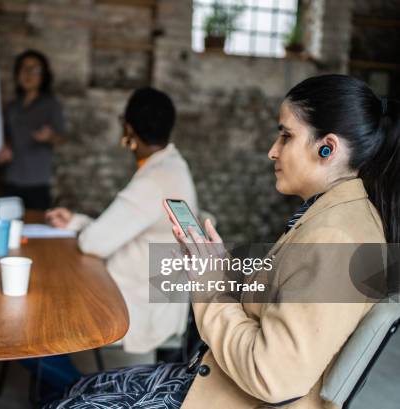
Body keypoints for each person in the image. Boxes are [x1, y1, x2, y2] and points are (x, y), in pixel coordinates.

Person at [44, 74, 400, 409]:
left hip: (232, 397)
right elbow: (281, 291)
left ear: (328, 148)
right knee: (77, 390)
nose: (272, 152)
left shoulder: (336, 236)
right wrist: (221, 265)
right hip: (214, 379)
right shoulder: (331, 215)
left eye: (286, 136)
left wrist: (207, 284)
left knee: (70, 401)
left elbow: (271, 376)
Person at [46, 87, 196, 354]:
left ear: (128, 129)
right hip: (164, 299)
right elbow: (124, 225)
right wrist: (75, 221)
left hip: (140, 304)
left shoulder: (153, 180)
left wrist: (80, 227)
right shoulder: (173, 165)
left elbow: (93, 244)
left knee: (46, 313)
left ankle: (71, 388)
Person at [0, 49, 65, 210]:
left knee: (36, 226)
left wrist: (49, 137)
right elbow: (8, 136)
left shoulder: (51, 104)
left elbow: (61, 137)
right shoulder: (12, 107)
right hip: (12, 177)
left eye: (34, 70)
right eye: (24, 69)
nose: (28, 74)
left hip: (37, 180)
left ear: (44, 75)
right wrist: (6, 147)